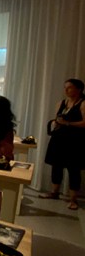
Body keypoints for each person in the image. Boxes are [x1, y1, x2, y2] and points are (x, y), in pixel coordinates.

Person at [43, 78, 85, 210]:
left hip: (75, 141)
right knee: (56, 166)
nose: (66, 90)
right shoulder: (62, 102)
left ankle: (73, 199)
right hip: (59, 138)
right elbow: (57, 118)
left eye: (70, 87)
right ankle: (54, 192)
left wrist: (68, 123)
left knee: (74, 169)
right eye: (65, 87)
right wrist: (55, 123)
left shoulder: (83, 103)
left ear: (79, 89)